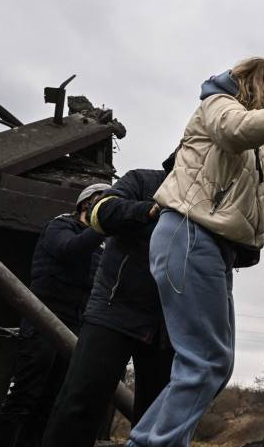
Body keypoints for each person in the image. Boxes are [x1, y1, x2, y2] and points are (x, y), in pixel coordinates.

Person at [126, 58, 264, 447]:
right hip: (189, 234)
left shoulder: (260, 147)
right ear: (252, 83)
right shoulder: (218, 104)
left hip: (213, 246)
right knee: (204, 361)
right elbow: (235, 130)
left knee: (216, 363)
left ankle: (152, 441)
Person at [41, 157, 175, 447]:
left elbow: (243, 251)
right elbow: (106, 210)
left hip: (168, 324)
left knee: (154, 418)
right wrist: (151, 210)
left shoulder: (211, 198)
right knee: (80, 404)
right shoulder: (142, 180)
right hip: (114, 311)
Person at [0, 183, 110, 447]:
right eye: (105, 201)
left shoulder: (102, 245)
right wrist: (103, 227)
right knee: (26, 392)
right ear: (87, 203)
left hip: (76, 323)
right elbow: (69, 250)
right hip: (45, 316)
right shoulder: (60, 226)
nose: (111, 207)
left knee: (53, 400)